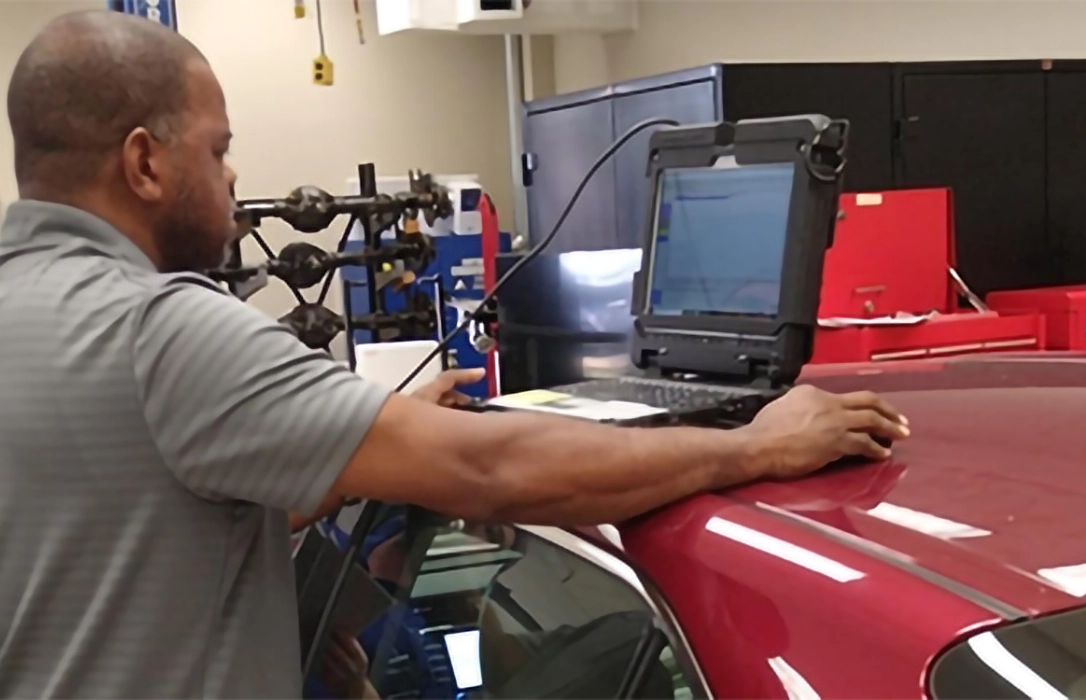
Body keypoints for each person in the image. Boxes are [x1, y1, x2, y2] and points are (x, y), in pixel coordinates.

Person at [0, 10, 909, 700]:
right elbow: (491, 465)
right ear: (144, 163)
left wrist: (350, 455)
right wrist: (758, 447)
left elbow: (124, 518)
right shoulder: (162, 328)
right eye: (218, 148)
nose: (233, 176)